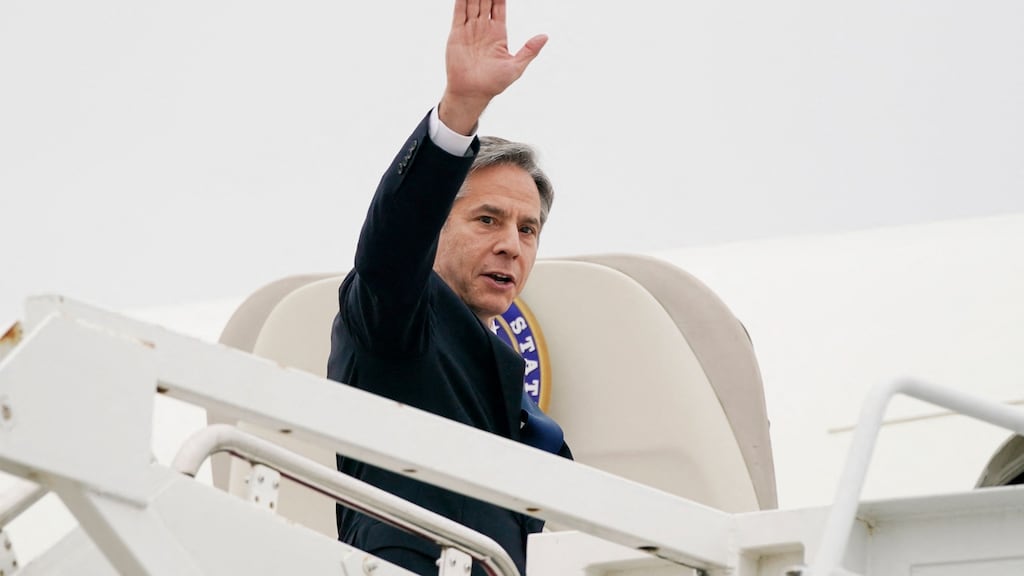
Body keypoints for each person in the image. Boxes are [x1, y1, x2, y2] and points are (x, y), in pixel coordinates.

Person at [326, 0, 571, 574]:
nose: (512, 243)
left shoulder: (508, 385)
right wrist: (461, 108)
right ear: (436, 226)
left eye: (527, 228)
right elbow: (393, 243)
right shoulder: (396, 319)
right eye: (488, 219)